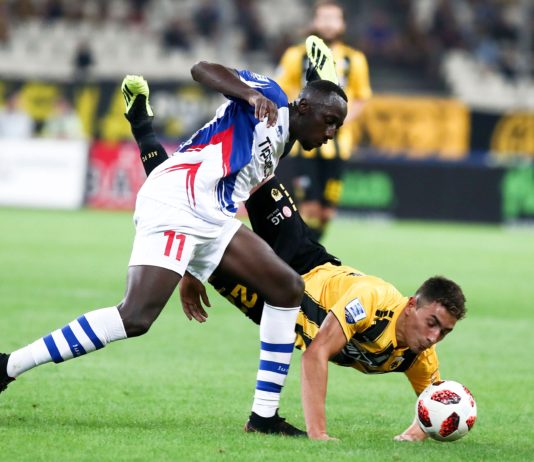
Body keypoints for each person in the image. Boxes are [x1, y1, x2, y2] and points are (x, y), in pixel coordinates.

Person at [0, 56, 347, 436]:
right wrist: (249, 95)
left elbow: (231, 194)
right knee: (135, 316)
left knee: (287, 288)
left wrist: (195, 270)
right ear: (304, 107)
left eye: (338, 126)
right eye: (329, 121)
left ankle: (264, 417)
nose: (332, 132)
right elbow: (202, 69)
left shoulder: (282, 145)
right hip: (178, 199)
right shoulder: (273, 98)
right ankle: (7, 366)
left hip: (211, 216)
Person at [110, 109, 466, 441]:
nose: (434, 337)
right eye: (432, 322)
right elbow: (316, 354)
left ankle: (261, 420)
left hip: (271, 302)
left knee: (191, 214)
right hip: (304, 260)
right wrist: (319, 435)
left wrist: (413, 435)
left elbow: (434, 407)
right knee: (255, 172)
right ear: (412, 305)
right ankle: (148, 126)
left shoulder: (420, 356)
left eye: (444, 332)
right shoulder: (373, 301)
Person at [276, 0, 372, 240]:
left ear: (343, 24)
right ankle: (304, 251)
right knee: (308, 208)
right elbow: (281, 90)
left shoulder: (354, 59)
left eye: (334, 18)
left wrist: (337, 123)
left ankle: (309, 247)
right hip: (303, 146)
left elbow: (362, 97)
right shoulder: (295, 55)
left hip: (339, 146)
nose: (329, 24)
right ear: (314, 21)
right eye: (324, 17)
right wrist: (301, 117)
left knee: (327, 212)